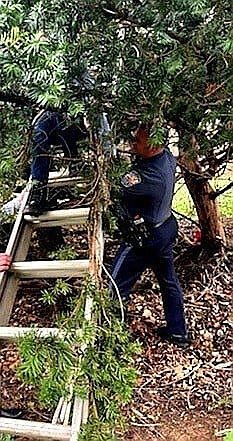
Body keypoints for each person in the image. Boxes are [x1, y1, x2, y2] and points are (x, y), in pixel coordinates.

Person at [111, 123, 189, 348]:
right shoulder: (167, 159)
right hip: (165, 229)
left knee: (115, 286)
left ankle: (112, 343)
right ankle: (178, 333)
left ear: (154, 144)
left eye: (138, 141)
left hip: (144, 238)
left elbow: (115, 188)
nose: (133, 143)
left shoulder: (145, 179)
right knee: (168, 282)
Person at [24, 110, 88, 215]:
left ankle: (73, 158)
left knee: (61, 118)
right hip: (53, 125)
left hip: (76, 124)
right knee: (39, 132)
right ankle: (38, 188)